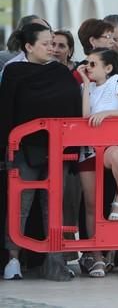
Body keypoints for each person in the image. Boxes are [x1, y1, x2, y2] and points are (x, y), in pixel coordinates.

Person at [1, 23, 81, 281]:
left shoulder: (60, 72)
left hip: (59, 150)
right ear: (29, 46)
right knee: (20, 205)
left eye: (53, 43)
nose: (51, 48)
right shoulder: (13, 71)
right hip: (24, 148)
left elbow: (73, 107)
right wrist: (7, 148)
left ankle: (54, 260)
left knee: (53, 206)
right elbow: (6, 111)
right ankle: (13, 260)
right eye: (46, 43)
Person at [75, 48, 118, 277]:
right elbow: (84, 118)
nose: (88, 68)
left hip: (110, 145)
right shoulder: (87, 86)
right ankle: (97, 258)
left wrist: (109, 114)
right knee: (91, 205)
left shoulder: (117, 81)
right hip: (88, 149)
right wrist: (84, 83)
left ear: (108, 67)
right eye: (87, 64)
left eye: (93, 64)